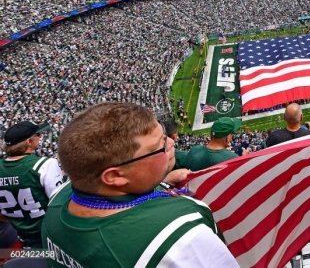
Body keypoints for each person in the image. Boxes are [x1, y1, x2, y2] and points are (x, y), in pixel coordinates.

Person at [41, 102, 239, 267]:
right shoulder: (181, 233)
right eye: (159, 145)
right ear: (115, 176)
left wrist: (163, 181)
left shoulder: (59, 197)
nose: (171, 144)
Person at [0, 121, 64, 247]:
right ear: (29, 142)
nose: (40, 137)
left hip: (16, 235)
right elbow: (59, 205)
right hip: (45, 236)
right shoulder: (45, 165)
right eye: (38, 135)